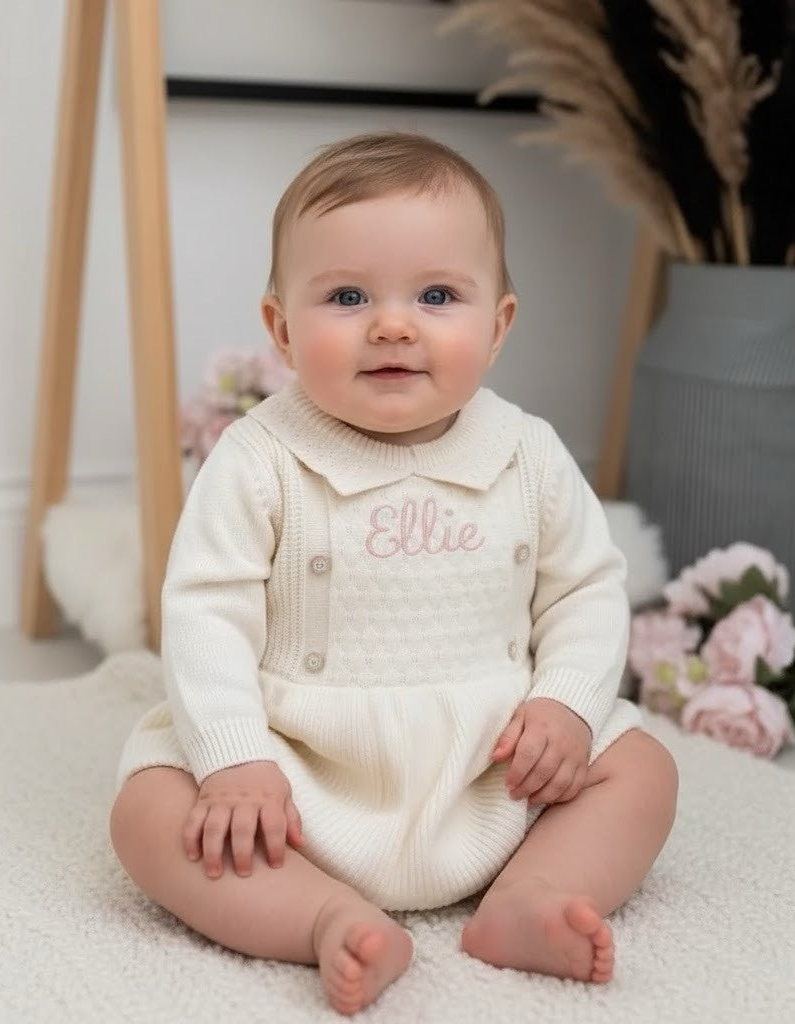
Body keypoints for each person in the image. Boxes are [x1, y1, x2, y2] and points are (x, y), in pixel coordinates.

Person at [109, 131, 678, 1016]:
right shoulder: (259, 458)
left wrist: (565, 702)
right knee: (148, 813)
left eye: (438, 295)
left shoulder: (526, 453)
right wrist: (234, 760)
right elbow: (205, 613)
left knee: (642, 770)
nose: (393, 324)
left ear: (497, 326)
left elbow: (585, 590)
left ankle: (529, 895)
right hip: (298, 778)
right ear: (282, 329)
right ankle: (322, 916)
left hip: (496, 764)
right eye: (346, 296)